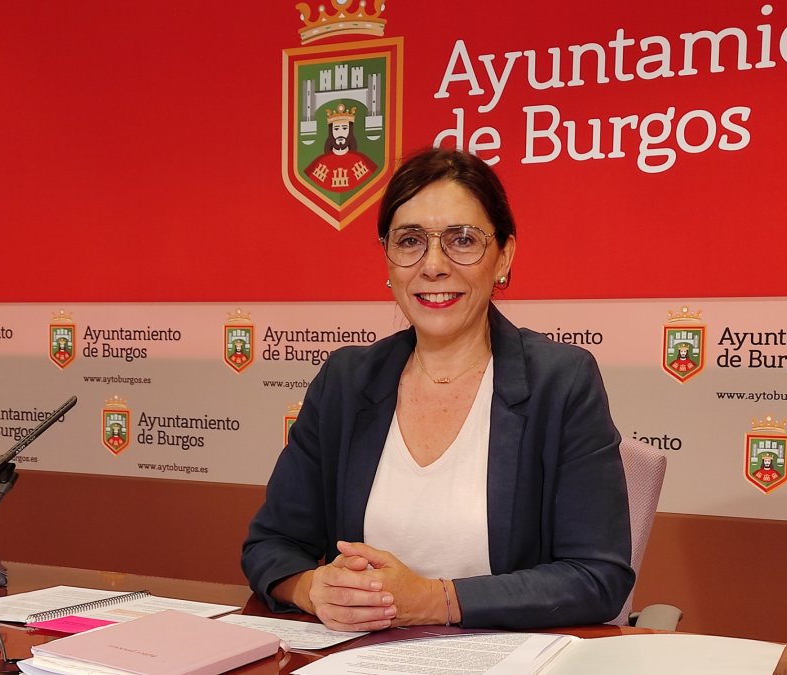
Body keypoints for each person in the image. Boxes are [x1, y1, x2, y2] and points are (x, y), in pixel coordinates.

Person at [242, 148, 632, 632]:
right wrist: (313, 588)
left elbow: (597, 577)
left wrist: (434, 600)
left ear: (504, 256)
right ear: (388, 258)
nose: (432, 266)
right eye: (409, 241)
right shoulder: (345, 381)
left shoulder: (562, 382)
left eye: (462, 240)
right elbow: (270, 545)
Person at [304, 103, 378, 193]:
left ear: (350, 131)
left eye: (344, 128)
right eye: (336, 129)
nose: (340, 133)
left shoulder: (362, 160)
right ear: (331, 132)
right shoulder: (319, 162)